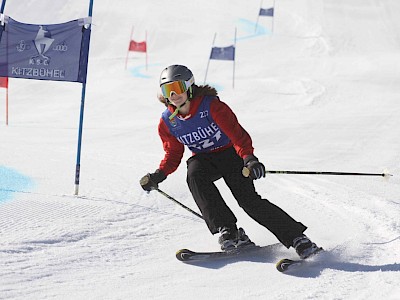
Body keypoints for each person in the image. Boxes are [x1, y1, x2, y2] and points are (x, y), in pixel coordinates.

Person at [140, 64, 321, 258]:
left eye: (178, 87)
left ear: (190, 87)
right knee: (194, 174)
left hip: (229, 154)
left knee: (249, 201)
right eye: (168, 90)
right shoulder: (168, 121)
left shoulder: (211, 106)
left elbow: (237, 135)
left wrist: (249, 159)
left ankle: (298, 238)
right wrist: (159, 175)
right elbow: (173, 153)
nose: (174, 94)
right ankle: (229, 230)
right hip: (203, 159)